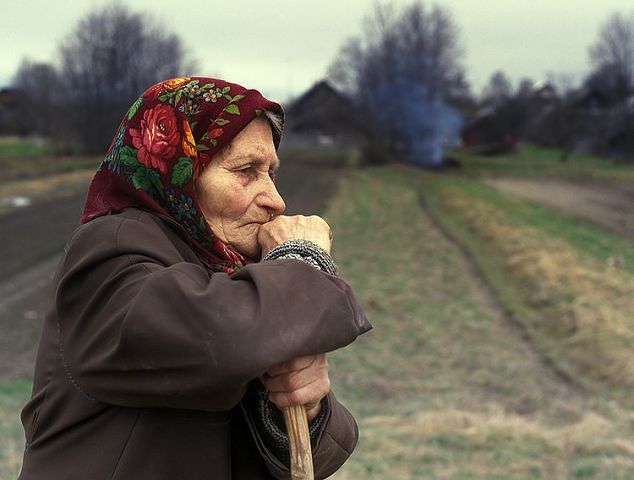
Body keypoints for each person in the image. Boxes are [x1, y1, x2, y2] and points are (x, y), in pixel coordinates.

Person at [18, 77, 371, 479]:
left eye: (270, 172)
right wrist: (299, 264)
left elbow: (320, 456)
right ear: (179, 170)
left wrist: (306, 406)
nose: (276, 199)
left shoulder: (231, 276)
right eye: (246, 171)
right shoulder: (110, 249)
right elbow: (215, 341)